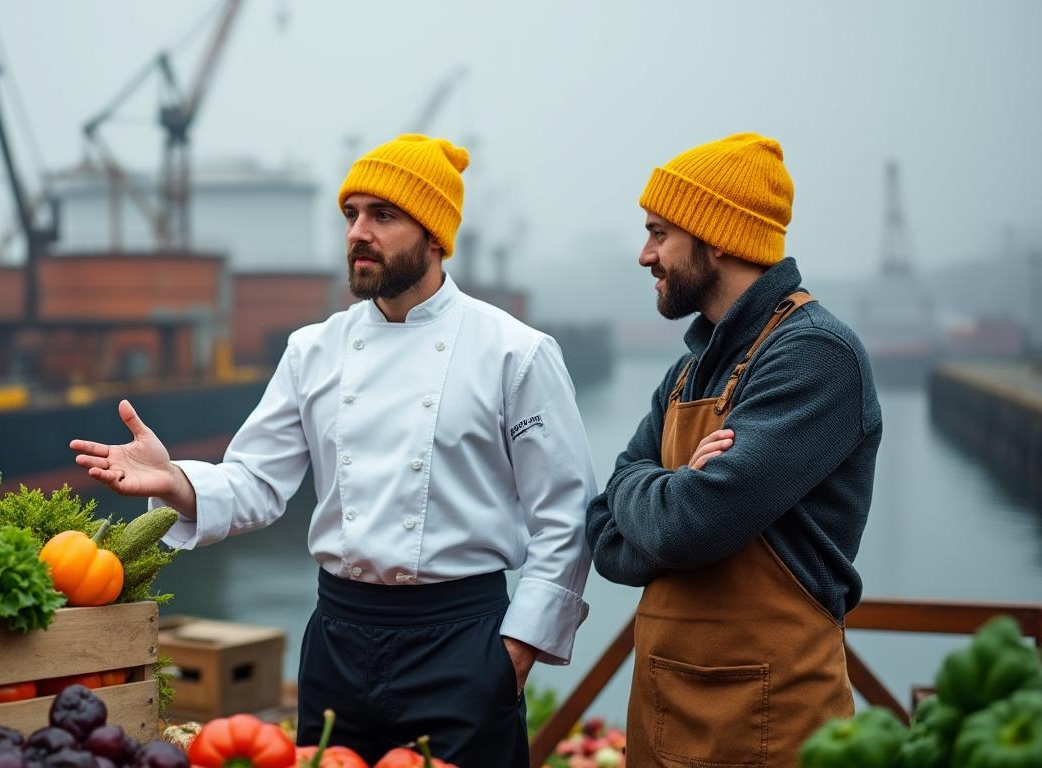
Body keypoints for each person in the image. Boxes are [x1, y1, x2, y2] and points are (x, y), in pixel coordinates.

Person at [71, 134, 597, 766]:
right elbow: (257, 481)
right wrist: (175, 481)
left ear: (434, 235)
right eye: (351, 214)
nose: (358, 233)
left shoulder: (516, 353)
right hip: (337, 642)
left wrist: (515, 652)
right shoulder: (312, 350)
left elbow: (565, 515)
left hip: (461, 641)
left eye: (383, 215)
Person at [585, 133, 883, 766]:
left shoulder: (815, 355)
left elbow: (687, 527)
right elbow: (605, 534)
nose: (645, 255)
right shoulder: (688, 372)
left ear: (716, 237)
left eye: (660, 233)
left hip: (774, 722)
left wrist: (654, 495)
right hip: (661, 711)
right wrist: (667, 491)